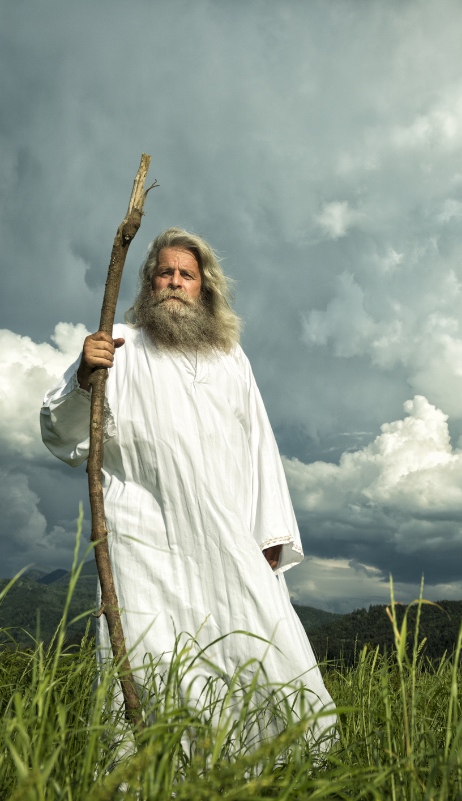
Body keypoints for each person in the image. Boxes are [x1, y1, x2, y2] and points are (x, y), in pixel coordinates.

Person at [40, 227, 334, 750]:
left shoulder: (230, 357)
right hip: (144, 539)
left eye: (186, 275)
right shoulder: (119, 349)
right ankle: (153, 775)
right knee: (153, 659)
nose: (174, 282)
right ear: (150, 283)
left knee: (264, 646)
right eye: (164, 273)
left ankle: (283, 770)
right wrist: (85, 375)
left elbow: (259, 443)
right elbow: (63, 436)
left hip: (226, 535)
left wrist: (270, 532)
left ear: (205, 287)